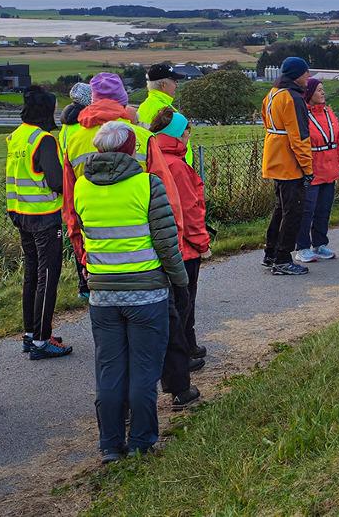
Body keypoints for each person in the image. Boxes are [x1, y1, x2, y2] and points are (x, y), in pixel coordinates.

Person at [73, 122, 190, 463]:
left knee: (109, 369)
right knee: (143, 369)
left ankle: (110, 443)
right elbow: (166, 242)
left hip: (103, 295)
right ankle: (141, 440)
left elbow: (81, 236)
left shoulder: (81, 187)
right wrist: (179, 281)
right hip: (146, 294)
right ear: (129, 150)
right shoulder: (147, 185)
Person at [59, 73, 148, 337]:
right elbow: (166, 199)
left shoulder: (72, 140)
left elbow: (70, 206)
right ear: (123, 99)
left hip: (96, 250)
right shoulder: (141, 135)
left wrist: (81, 253)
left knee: (109, 337)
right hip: (143, 252)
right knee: (145, 330)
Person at [147, 108, 210, 408]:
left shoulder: (155, 158)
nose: (189, 134)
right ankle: (183, 357)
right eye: (186, 130)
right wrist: (202, 243)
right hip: (184, 249)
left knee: (175, 306)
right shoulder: (178, 166)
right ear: (176, 134)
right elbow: (190, 210)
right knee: (183, 304)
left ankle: (188, 350)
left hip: (163, 248)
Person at [5, 87, 70, 361]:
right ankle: (43, 340)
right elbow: (56, 181)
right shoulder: (44, 139)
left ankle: (31, 334)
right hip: (44, 216)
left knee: (32, 274)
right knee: (48, 276)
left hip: (20, 213)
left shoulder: (17, 135)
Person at [260, 56, 314, 275]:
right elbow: (299, 137)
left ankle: (271, 253)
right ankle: (282, 259)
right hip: (289, 162)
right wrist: (308, 168)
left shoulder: (273, 94)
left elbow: (266, 122)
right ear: (296, 75)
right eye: (305, 73)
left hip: (274, 157)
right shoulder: (293, 98)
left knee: (281, 209)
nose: (308, 77)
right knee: (293, 212)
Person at [294, 78, 339, 262]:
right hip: (312, 169)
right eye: (319, 90)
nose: (322, 93)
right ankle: (302, 247)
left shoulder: (329, 113)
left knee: (323, 209)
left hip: (330, 168)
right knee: (306, 211)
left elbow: (338, 140)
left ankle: (320, 244)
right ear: (309, 93)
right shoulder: (303, 115)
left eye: (323, 89)